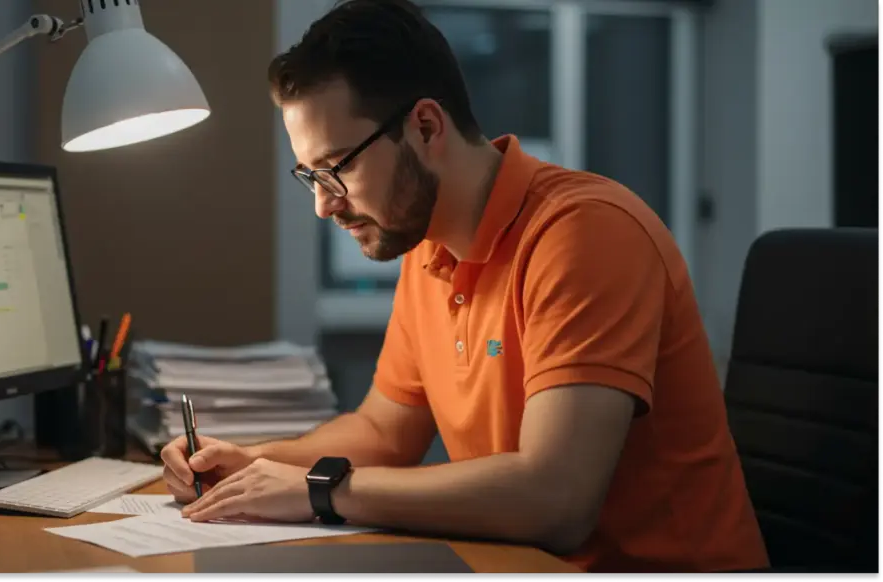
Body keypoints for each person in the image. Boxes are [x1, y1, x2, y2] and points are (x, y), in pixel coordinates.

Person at [161, 0, 768, 573]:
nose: (323, 205)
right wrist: (254, 461)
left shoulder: (582, 234)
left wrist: (321, 490)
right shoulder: (427, 245)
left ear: (425, 125)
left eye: (338, 167)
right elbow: (384, 434)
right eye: (310, 175)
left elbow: (556, 500)